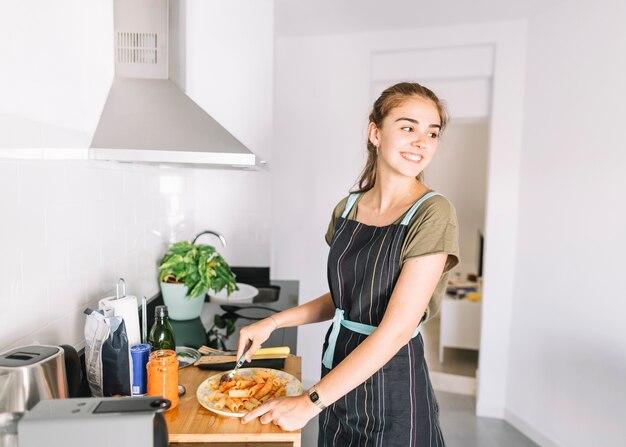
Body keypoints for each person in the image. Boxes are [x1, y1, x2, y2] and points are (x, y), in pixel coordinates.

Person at [239, 82, 459, 446]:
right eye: (408, 127)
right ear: (376, 133)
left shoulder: (434, 213)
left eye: (431, 133)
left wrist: (310, 401)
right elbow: (347, 298)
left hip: (393, 382)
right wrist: (273, 322)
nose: (422, 141)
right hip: (338, 371)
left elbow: (397, 331)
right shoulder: (348, 208)